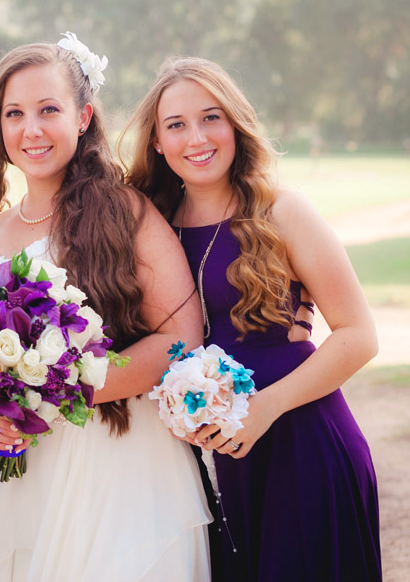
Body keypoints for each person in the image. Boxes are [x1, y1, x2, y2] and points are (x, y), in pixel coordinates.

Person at [0, 34, 212, 581]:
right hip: (21, 472)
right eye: (15, 113)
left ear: (83, 116)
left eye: (49, 110)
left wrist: (53, 392)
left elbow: (181, 337)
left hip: (116, 462)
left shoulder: (125, 213)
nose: (32, 129)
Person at [125, 56, 381, 581]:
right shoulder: (148, 226)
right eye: (176, 124)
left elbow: (360, 336)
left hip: (301, 446)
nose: (196, 137)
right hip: (205, 466)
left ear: (236, 124)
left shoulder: (283, 212)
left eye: (211, 117)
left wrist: (265, 408)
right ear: (156, 141)